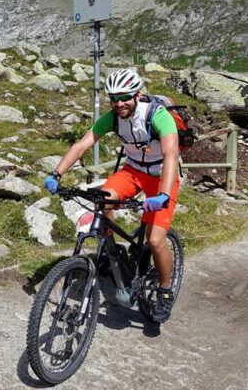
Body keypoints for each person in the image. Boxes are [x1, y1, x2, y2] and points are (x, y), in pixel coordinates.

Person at [44, 68, 180, 323]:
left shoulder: (157, 115)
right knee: (103, 198)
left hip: (163, 176)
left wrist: (162, 194)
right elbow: (83, 144)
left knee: (155, 239)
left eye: (124, 97)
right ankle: (110, 249)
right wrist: (56, 174)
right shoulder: (113, 117)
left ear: (137, 95)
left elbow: (171, 155)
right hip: (133, 171)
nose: (119, 104)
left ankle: (164, 290)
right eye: (113, 98)